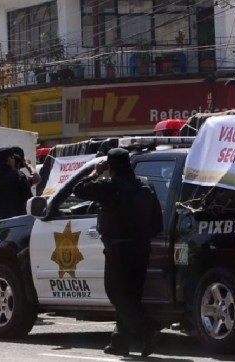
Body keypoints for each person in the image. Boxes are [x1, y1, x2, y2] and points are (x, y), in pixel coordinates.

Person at [73, 148, 164, 357]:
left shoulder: (109, 186)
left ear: (111, 168)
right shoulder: (146, 187)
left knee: (116, 293)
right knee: (130, 296)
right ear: (130, 165)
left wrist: (96, 172)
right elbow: (157, 222)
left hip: (119, 249)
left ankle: (149, 330)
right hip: (142, 249)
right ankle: (120, 342)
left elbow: (78, 189)